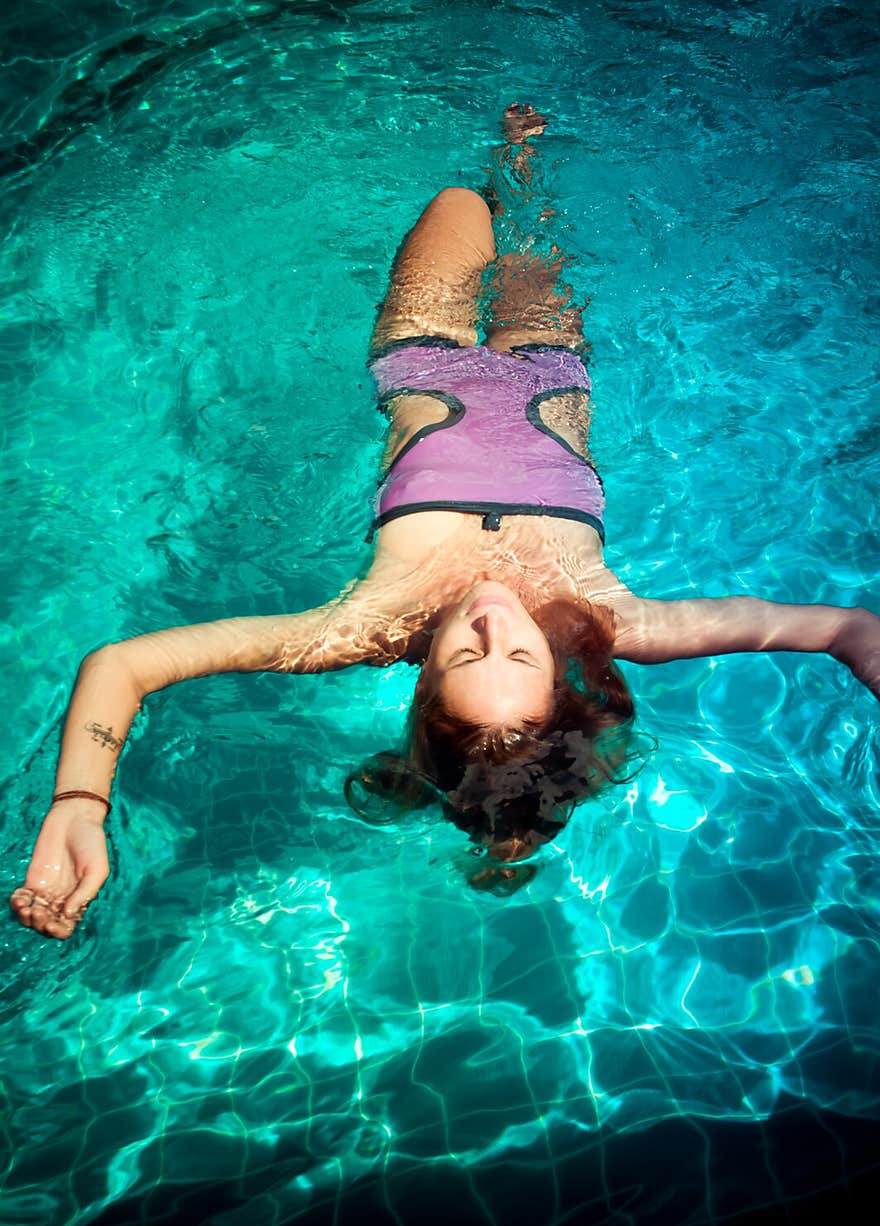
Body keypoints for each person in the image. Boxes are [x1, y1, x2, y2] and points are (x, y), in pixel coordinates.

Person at [10, 103, 880, 937]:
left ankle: (491, 155)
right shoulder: (617, 622)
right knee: (531, 207)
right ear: (559, 674)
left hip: (425, 346)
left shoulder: (362, 626)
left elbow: (123, 664)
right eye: (521, 652)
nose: (494, 619)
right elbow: (844, 627)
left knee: (460, 205)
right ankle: (522, 151)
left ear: (425, 683)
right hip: (550, 364)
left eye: (468, 651)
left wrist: (77, 806)